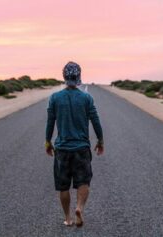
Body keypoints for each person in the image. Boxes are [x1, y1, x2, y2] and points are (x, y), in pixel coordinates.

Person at [45, 61, 104, 227]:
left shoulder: (55, 98)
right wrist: (100, 140)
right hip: (81, 148)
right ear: (79, 77)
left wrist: (47, 141)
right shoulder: (86, 98)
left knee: (63, 186)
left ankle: (68, 218)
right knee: (83, 182)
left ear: (64, 76)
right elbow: (95, 120)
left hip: (62, 149)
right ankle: (79, 207)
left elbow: (50, 122)